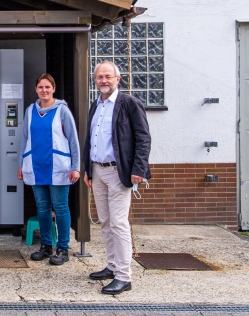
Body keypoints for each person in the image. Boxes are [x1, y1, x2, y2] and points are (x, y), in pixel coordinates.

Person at [82, 61, 152, 295]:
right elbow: (90, 139)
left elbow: (143, 137)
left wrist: (138, 170)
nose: (103, 80)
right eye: (99, 77)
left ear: (117, 79)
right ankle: (112, 266)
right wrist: (87, 169)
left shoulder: (129, 103)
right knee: (105, 221)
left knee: (119, 223)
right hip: (98, 170)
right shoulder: (96, 105)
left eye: (107, 77)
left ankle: (124, 276)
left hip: (119, 171)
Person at [18, 74, 80, 266]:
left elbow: (73, 140)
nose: (44, 91)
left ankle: (62, 247)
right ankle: (46, 246)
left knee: (60, 207)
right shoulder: (30, 111)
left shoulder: (62, 111)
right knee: (43, 207)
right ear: (36, 89)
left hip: (59, 167)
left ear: (53, 89)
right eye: (40, 87)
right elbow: (24, 138)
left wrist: (75, 167)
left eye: (47, 87)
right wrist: (21, 163)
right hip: (36, 165)